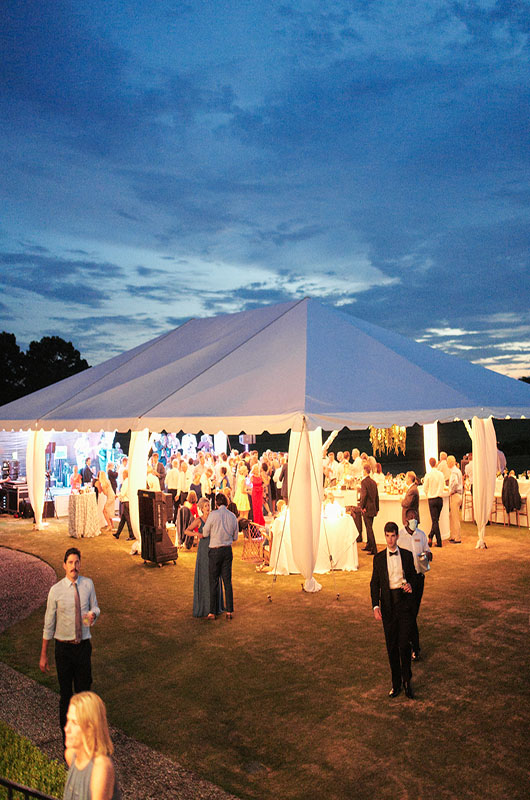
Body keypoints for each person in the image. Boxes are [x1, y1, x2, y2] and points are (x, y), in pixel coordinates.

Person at [40, 548, 100, 740]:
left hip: (82, 647)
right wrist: (44, 654)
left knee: (84, 694)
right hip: (64, 650)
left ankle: (85, 736)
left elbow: (96, 607)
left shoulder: (88, 585)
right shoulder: (55, 591)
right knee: (66, 695)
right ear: (64, 565)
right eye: (70, 563)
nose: (74, 566)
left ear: (80, 564)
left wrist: (93, 615)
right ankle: (68, 741)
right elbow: (48, 624)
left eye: (77, 562)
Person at [370, 522, 417, 699]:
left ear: (397, 536)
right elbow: (374, 584)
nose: (390, 540)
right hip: (388, 606)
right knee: (392, 647)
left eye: (393, 536)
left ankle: (407, 681)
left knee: (404, 645)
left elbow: (413, 576)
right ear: (385, 536)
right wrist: (376, 606)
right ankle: (396, 684)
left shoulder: (406, 555)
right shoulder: (379, 558)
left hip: (403, 604)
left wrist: (411, 585)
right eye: (387, 536)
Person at [63, 691, 120, 800]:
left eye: (74, 723)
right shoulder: (71, 755)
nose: (67, 729)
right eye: (68, 720)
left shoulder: (101, 768)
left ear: (90, 729)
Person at [398, 509, 432, 661]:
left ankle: (411, 644)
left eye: (416, 517)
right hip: (406, 580)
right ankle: (414, 647)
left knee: (413, 613)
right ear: (406, 519)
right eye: (411, 517)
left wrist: (428, 556)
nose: (414, 520)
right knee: (409, 613)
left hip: (419, 578)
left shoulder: (421, 535)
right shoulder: (400, 536)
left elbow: (428, 552)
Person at [202, 493, 239, 620]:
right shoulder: (233, 516)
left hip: (215, 549)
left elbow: (205, 532)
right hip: (227, 550)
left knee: (213, 581)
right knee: (227, 581)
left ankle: (212, 611)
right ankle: (229, 611)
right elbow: (235, 537)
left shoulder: (213, 515)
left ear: (216, 503)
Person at [187, 497, 225, 618]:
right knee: (204, 575)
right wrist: (196, 534)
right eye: (206, 506)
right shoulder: (199, 520)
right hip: (203, 549)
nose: (208, 508)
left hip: (214, 548)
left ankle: (215, 606)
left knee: (214, 575)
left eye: (209, 506)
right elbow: (186, 531)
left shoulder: (214, 518)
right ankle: (204, 606)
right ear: (201, 508)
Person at [423, 457, 445, 547]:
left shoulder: (428, 475)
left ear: (429, 464)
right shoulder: (441, 474)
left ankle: (439, 542)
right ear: (436, 463)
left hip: (432, 499)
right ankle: (431, 536)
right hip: (440, 499)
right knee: (436, 520)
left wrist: (428, 493)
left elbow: (425, 487)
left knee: (435, 521)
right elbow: (443, 485)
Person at [359, 463, 379, 555]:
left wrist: (361, 506)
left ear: (364, 471)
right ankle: (369, 545)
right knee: (369, 527)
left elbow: (364, 496)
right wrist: (377, 508)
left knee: (369, 528)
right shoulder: (373, 482)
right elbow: (376, 497)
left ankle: (374, 548)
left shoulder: (364, 482)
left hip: (367, 508)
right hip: (373, 508)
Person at [112, 470, 134, 540]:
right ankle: (118, 534)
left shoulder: (125, 482)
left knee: (128, 520)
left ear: (124, 475)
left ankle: (132, 535)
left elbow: (123, 492)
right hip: (128, 501)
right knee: (123, 519)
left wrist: (118, 496)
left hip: (126, 502)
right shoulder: (129, 481)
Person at [447, 455, 463, 542]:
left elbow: (455, 482)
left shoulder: (454, 472)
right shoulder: (458, 470)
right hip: (459, 495)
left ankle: (457, 537)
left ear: (450, 462)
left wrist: (451, 491)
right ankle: (453, 535)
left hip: (455, 495)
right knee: (452, 516)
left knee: (455, 517)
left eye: (447, 462)